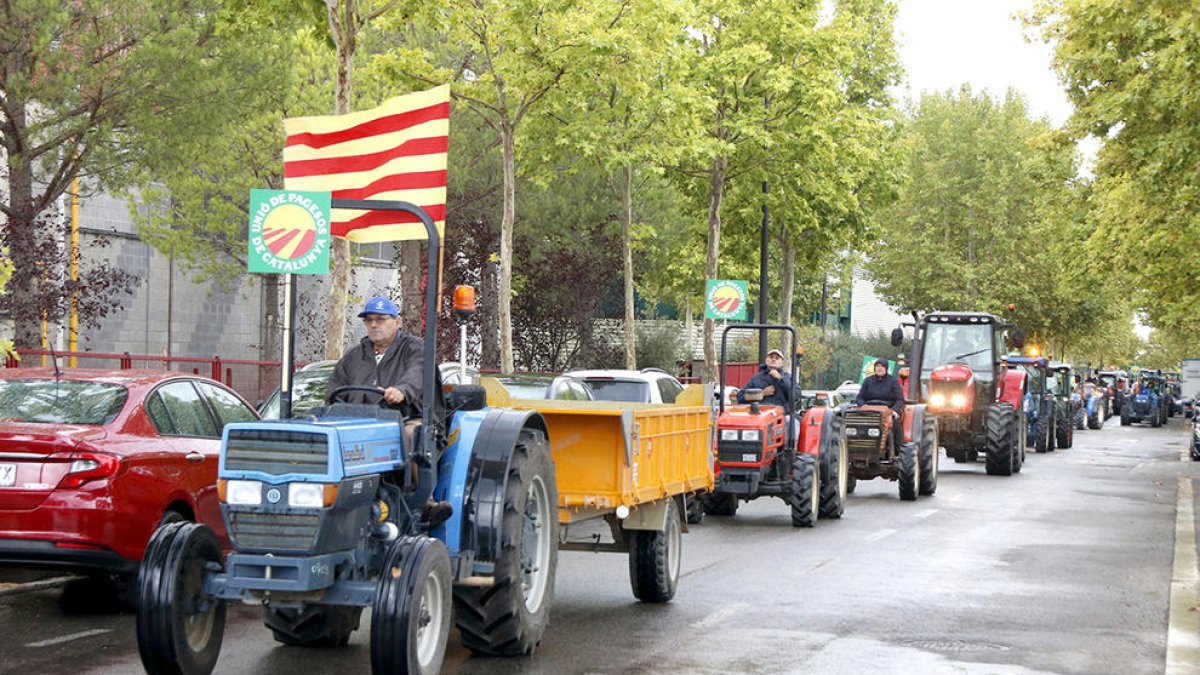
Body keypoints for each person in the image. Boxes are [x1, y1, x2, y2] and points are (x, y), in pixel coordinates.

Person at [327, 295, 449, 528]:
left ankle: (424, 500)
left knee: (413, 434)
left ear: (397, 321)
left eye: (381, 319)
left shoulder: (415, 348)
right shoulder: (354, 356)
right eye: (369, 320)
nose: (374, 325)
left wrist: (402, 390)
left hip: (405, 418)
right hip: (360, 425)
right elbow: (335, 388)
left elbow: (417, 373)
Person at [856, 358, 906, 451]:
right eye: (877, 366)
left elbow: (899, 399)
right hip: (869, 410)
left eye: (882, 366)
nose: (879, 368)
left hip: (887, 410)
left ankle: (899, 451)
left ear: (886, 368)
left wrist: (894, 410)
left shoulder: (893, 381)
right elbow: (859, 397)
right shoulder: (868, 381)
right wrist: (862, 406)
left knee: (895, 423)